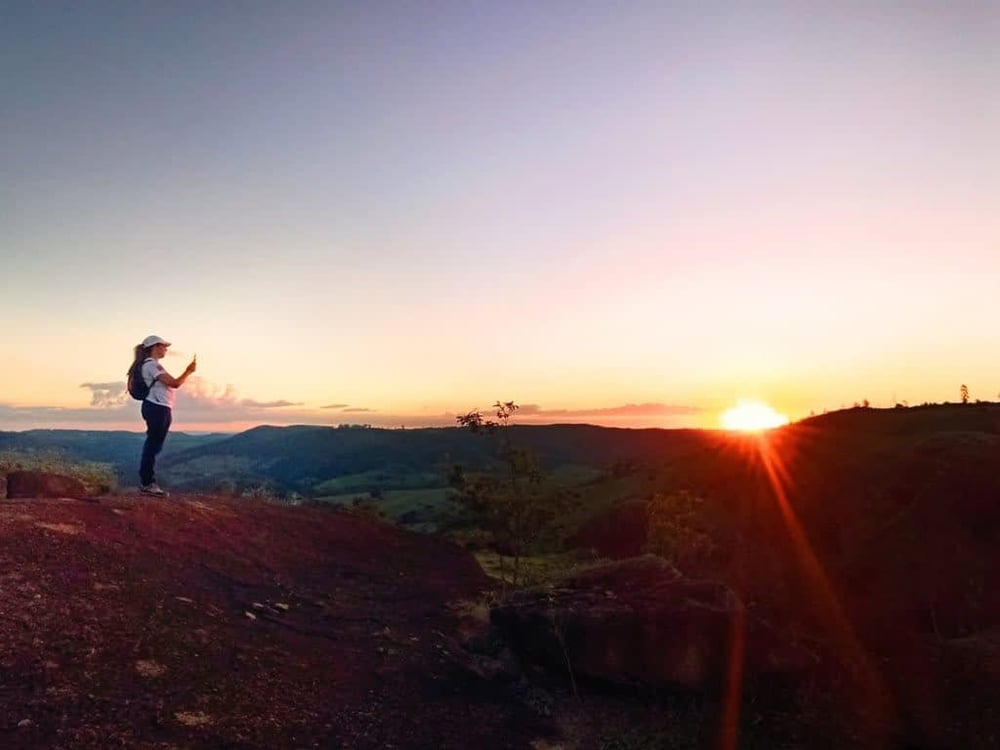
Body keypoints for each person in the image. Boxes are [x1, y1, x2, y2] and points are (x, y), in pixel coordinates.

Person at [132, 334, 196, 497]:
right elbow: (174, 383)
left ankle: (147, 482)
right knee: (153, 445)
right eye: (163, 346)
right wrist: (188, 371)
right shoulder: (152, 365)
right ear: (155, 347)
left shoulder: (150, 365)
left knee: (154, 445)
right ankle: (148, 484)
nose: (166, 349)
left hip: (157, 406)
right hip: (157, 407)